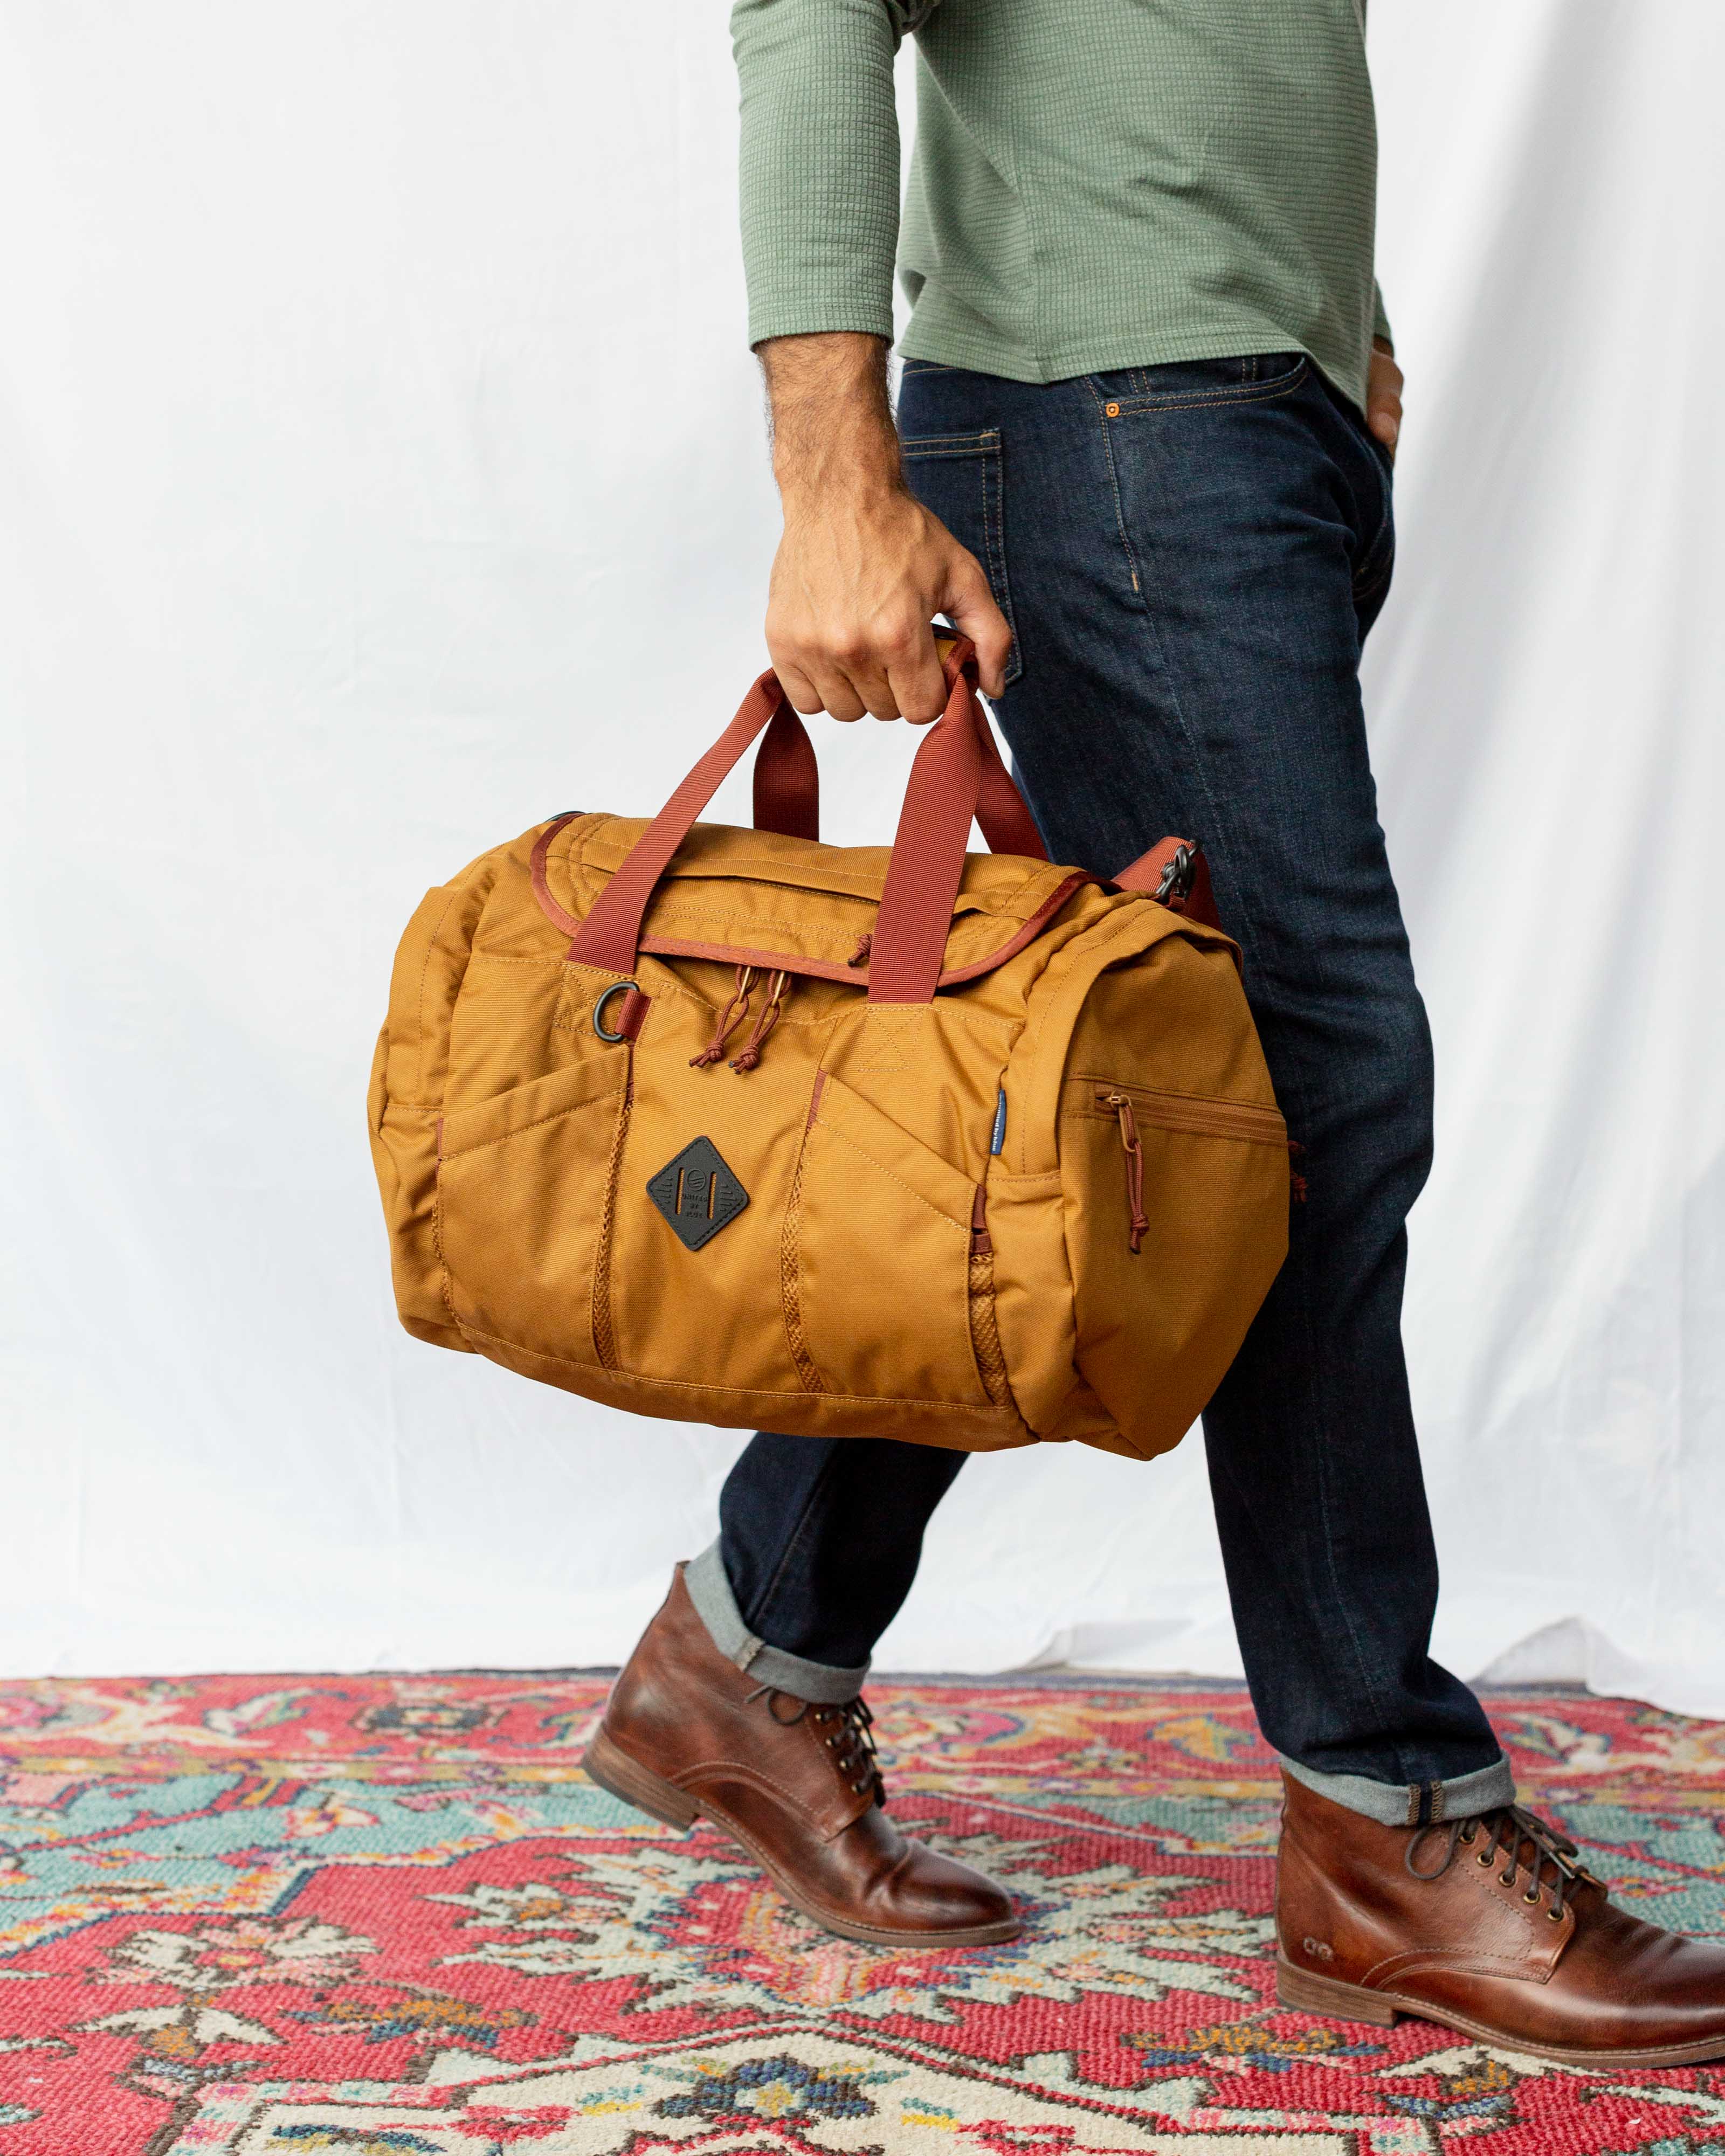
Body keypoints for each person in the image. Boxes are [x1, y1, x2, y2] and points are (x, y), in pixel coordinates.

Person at [586, 0, 1725, 2062]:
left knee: (1096, 1110)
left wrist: (1333, 332)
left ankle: (750, 1655)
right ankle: (1385, 1813)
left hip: (1232, 412)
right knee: (1311, 1090)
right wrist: (832, 475)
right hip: (1114, 412)